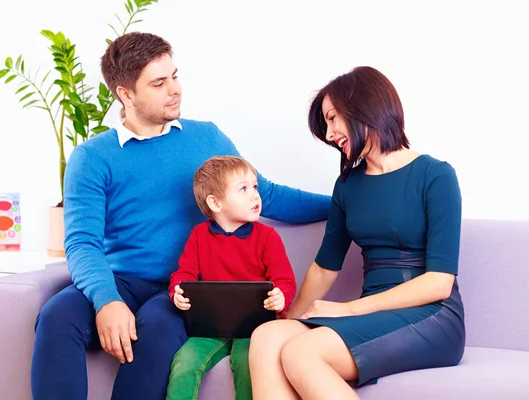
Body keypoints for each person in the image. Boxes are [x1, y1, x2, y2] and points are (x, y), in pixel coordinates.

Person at [29, 32, 332, 400]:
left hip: (183, 288)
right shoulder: (92, 157)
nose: (175, 90)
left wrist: (343, 203)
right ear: (126, 94)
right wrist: (108, 300)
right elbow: (82, 242)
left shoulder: (205, 138)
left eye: (174, 76)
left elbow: (265, 195)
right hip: (121, 280)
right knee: (57, 317)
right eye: (159, 83)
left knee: (157, 326)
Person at [248, 66, 465, 400]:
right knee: (267, 338)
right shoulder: (348, 185)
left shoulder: (435, 175)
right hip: (374, 313)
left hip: (433, 316)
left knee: (300, 352)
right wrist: (294, 318)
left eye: (334, 118)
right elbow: (324, 268)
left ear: (366, 107)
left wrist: (347, 309)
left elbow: (439, 283)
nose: (331, 133)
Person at [166, 155, 297, 400]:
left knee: (250, 366)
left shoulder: (267, 237)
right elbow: (183, 274)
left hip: (256, 330)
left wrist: (281, 297)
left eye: (255, 187)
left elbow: (285, 281)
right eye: (243, 189)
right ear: (215, 203)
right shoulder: (198, 236)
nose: (254, 195)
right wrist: (178, 292)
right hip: (210, 328)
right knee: (184, 363)